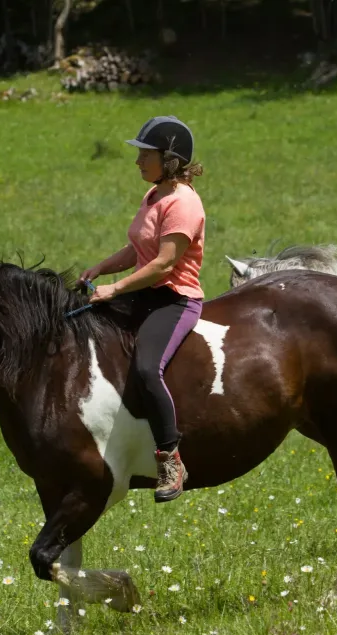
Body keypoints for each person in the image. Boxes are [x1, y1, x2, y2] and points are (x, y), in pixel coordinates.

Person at [79, 116, 206, 503]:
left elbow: (165, 264)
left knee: (148, 368)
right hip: (144, 292)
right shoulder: (153, 195)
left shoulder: (184, 203)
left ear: (168, 159)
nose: (137, 162)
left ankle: (171, 459)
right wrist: (101, 267)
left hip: (174, 298)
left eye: (144, 155)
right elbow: (138, 249)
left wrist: (113, 289)